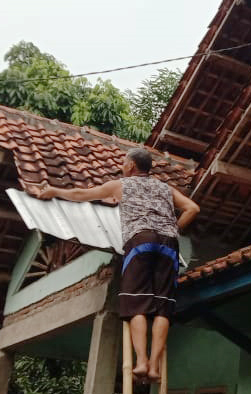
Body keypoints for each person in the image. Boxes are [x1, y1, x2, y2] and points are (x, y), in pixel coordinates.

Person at [39, 148, 200, 381]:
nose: (122, 166)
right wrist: (173, 228)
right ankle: (155, 367)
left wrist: (54, 191)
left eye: (124, 162)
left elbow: (80, 194)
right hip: (168, 245)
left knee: (137, 302)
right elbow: (193, 208)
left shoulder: (121, 185)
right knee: (163, 306)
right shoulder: (165, 188)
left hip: (141, 241)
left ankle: (141, 362)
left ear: (132, 165)